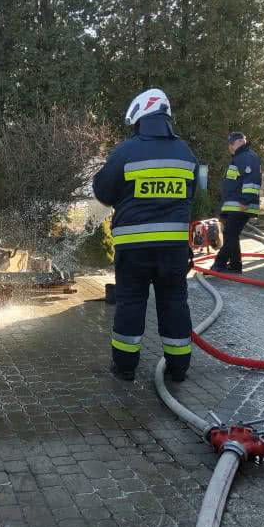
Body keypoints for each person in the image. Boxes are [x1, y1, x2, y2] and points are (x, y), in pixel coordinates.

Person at [93, 88, 198, 381]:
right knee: (175, 302)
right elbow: (192, 196)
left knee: (131, 303)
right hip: (173, 248)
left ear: (139, 117)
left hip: (134, 249)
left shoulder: (126, 151)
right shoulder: (185, 153)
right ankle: (178, 369)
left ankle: (125, 368)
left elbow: (103, 191)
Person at [211, 132, 262, 273]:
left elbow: (252, 180)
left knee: (230, 234)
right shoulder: (240, 157)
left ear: (236, 143)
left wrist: (246, 200)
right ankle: (235, 266)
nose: (229, 148)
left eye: (230, 145)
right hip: (234, 205)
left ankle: (220, 264)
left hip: (241, 205)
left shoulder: (247, 157)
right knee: (230, 234)